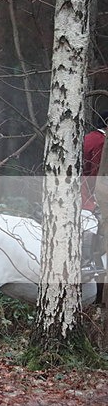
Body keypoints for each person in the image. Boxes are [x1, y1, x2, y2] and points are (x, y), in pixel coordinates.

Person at [81, 110, 108, 280]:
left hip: (86, 186)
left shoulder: (90, 137)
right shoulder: (102, 142)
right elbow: (96, 172)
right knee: (91, 222)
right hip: (89, 189)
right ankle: (87, 263)